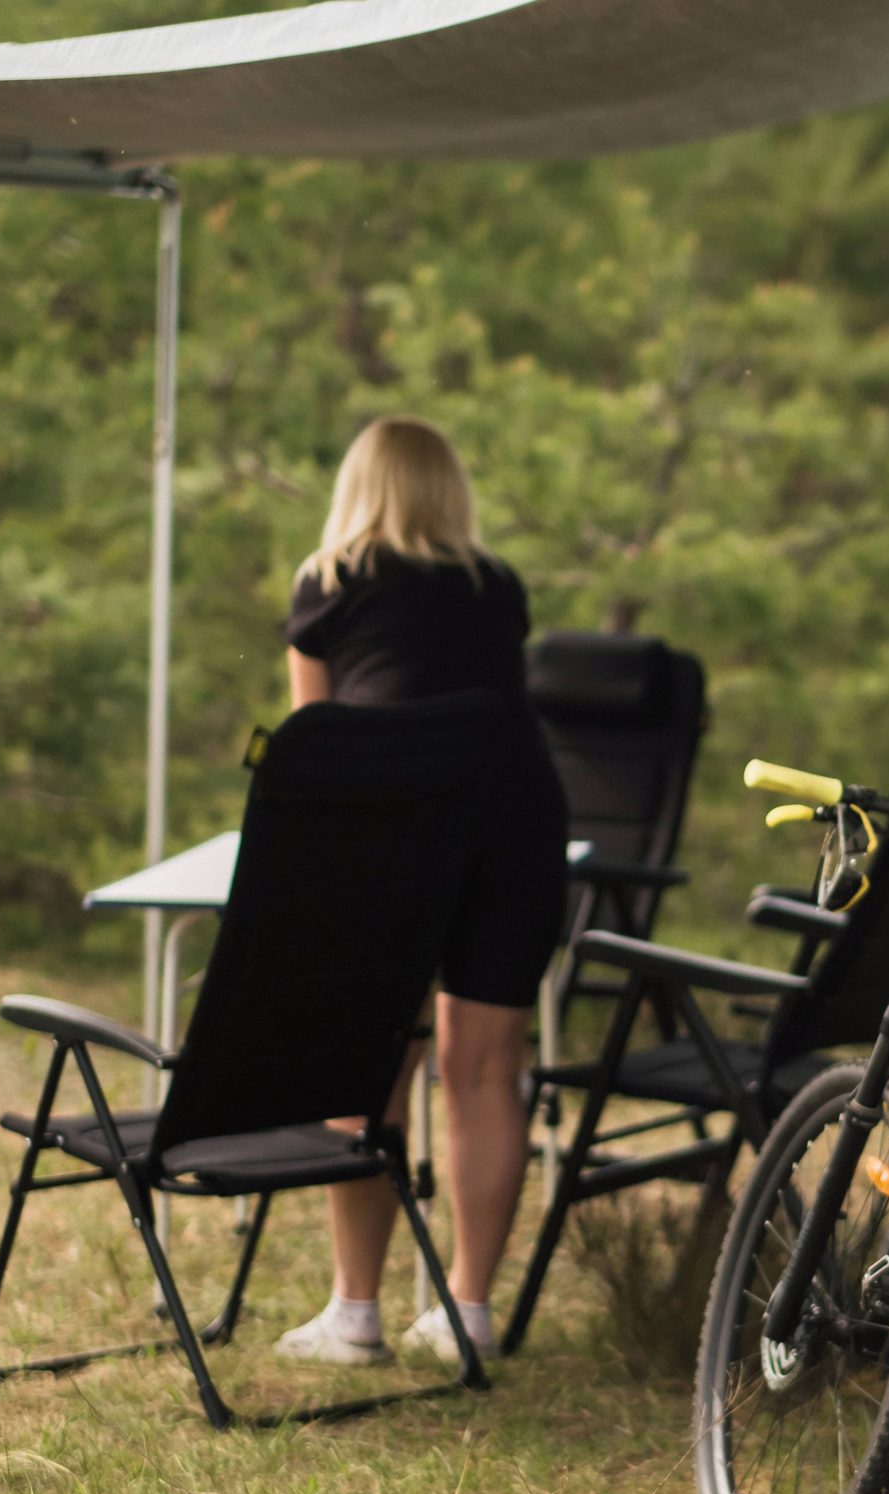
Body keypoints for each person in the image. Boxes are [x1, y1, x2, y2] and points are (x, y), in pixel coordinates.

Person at [273, 415, 567, 1366]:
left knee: (372, 1064)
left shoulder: (326, 581)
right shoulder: (497, 585)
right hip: (515, 825)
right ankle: (467, 1310)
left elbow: (311, 744)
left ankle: (355, 1311)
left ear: (356, 485)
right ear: (450, 489)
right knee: (483, 1067)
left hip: (388, 827)